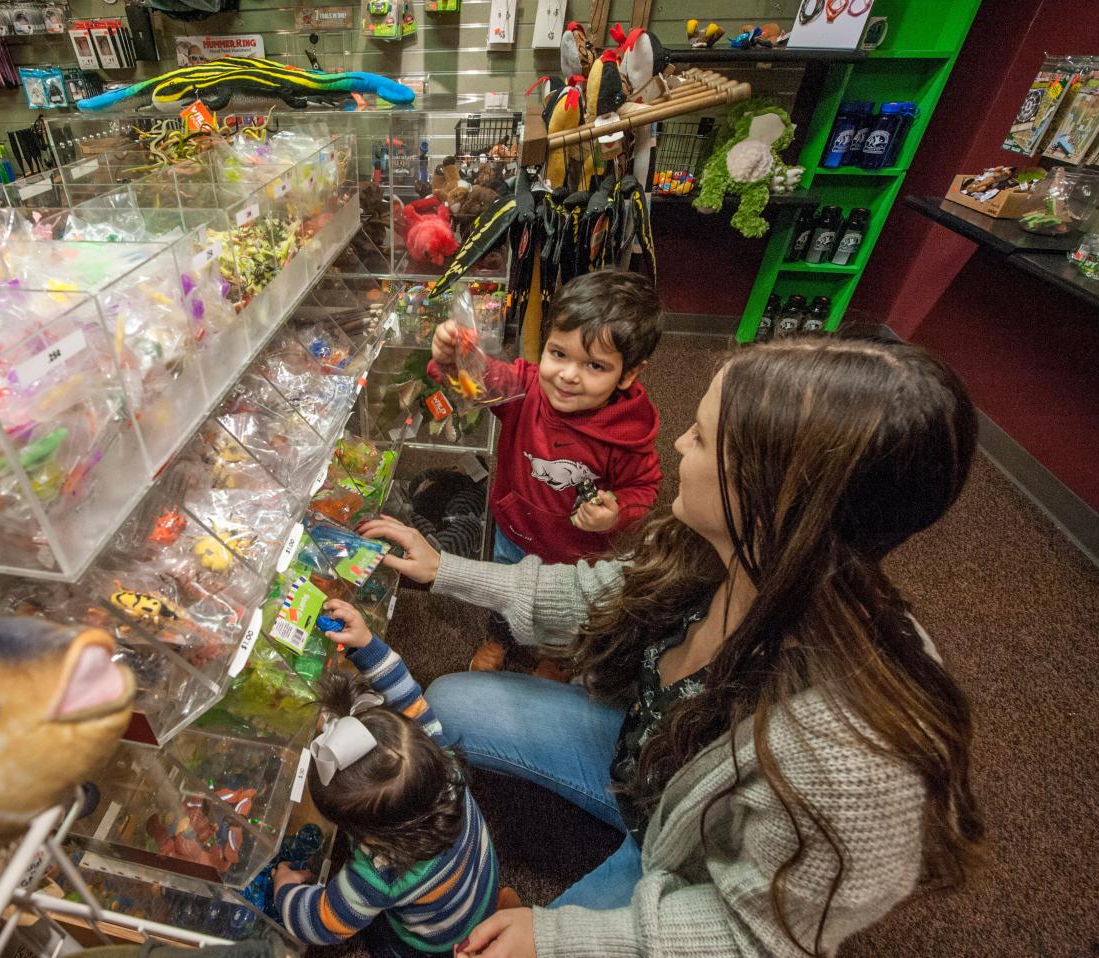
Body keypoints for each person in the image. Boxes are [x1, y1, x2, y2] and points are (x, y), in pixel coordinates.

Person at [360, 337, 985, 958]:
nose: (680, 442)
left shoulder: (857, 758)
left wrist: (556, 938)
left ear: (774, 496)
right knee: (452, 701)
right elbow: (591, 594)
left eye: (703, 437)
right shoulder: (716, 551)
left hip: (691, 864)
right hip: (645, 758)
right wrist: (446, 568)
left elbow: (753, 937)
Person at [428, 269, 663, 672]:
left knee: (567, 613)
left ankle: (556, 656)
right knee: (503, 590)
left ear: (629, 374)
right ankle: (498, 638)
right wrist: (453, 358)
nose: (569, 375)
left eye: (594, 366)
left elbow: (644, 487)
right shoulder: (527, 388)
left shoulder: (627, 434)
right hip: (515, 527)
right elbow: (481, 380)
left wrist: (617, 512)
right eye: (558, 354)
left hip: (577, 551)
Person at [273, 599, 505, 958]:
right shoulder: (443, 764)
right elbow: (408, 695)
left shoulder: (380, 872)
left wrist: (285, 890)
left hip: (436, 944)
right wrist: (366, 644)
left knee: (383, 941)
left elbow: (324, 923)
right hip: (479, 889)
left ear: (365, 833)